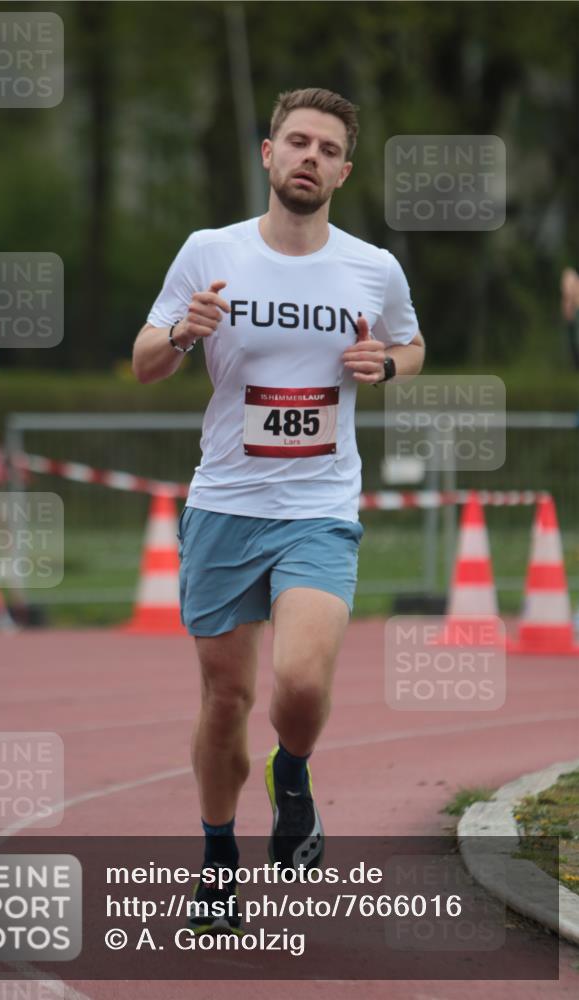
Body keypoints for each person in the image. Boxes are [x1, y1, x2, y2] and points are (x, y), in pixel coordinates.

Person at [132, 87, 425, 934]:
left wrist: (389, 366)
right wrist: (185, 332)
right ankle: (218, 858)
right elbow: (147, 362)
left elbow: (408, 342)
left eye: (327, 149)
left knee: (298, 683)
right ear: (268, 154)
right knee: (224, 701)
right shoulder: (207, 251)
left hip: (318, 506)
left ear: (343, 169)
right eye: (296, 141)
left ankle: (290, 774)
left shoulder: (372, 266)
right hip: (225, 504)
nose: (310, 157)